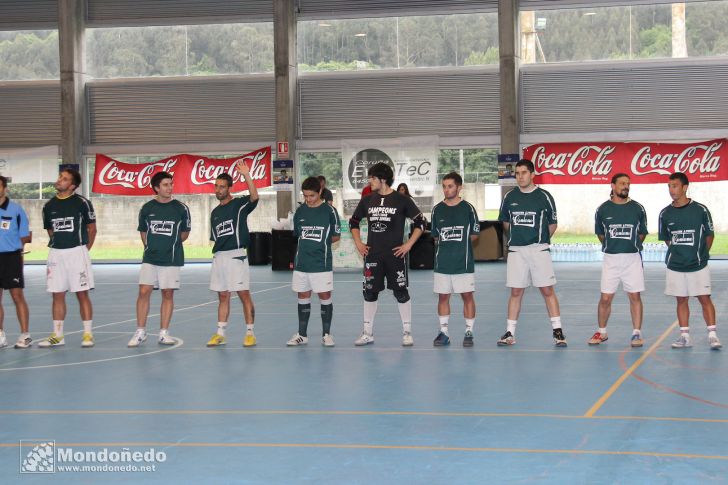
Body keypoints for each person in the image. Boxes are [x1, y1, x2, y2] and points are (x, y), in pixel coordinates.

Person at [350, 162, 426, 346]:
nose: (369, 181)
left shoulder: (402, 200)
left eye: (372, 178)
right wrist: (359, 243)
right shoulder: (367, 199)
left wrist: (408, 244)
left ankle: (407, 332)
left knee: (401, 292)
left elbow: (421, 223)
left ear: (382, 179)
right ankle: (367, 332)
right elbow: (353, 222)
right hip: (373, 255)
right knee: (369, 293)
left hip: (395, 256)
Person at [496, 159, 567, 347]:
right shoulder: (509, 197)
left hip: (539, 249)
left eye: (524, 173)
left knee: (547, 290)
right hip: (517, 251)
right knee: (516, 291)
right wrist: (517, 238)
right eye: (517, 173)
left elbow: (553, 224)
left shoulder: (544, 196)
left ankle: (558, 331)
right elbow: (505, 223)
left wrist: (540, 240)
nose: (520, 176)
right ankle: (509, 333)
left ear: (532, 174)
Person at [658, 172, 721, 350]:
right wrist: (679, 252)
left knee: (704, 298)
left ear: (685, 187)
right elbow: (668, 239)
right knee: (681, 300)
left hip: (698, 265)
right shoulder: (665, 213)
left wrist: (700, 254)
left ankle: (712, 335)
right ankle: (685, 336)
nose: (671, 190)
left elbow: (710, 235)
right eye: (669, 186)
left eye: (675, 186)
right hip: (675, 265)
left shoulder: (700, 210)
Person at [128, 171, 191, 347]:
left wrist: (170, 244)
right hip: (150, 258)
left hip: (171, 259)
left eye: (171, 184)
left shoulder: (181, 208)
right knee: (143, 292)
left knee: (167, 293)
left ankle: (164, 333)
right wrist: (150, 247)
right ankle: (140, 331)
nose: (170, 187)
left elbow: (185, 233)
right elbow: (143, 231)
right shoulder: (147, 208)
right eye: (165, 185)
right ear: (156, 188)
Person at [39, 168, 96, 348]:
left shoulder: (82, 203)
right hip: (56, 253)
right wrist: (58, 243)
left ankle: (87, 334)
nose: (59, 180)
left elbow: (92, 229)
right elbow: (50, 230)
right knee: (57, 294)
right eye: (59, 177)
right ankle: (57, 335)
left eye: (64, 179)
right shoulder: (48, 206)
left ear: (72, 186)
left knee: (82, 294)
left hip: (77, 252)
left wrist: (83, 250)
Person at [590, 173, 648, 347]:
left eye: (628, 184)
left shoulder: (638, 208)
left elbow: (642, 233)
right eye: (622, 183)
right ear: (613, 186)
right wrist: (614, 246)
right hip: (611, 259)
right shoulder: (602, 209)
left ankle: (636, 334)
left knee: (634, 296)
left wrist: (629, 246)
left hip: (632, 259)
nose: (626, 186)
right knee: (605, 298)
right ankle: (602, 332)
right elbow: (601, 234)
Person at [206, 161, 259, 348]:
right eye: (216, 186)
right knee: (222, 296)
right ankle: (220, 333)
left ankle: (250, 333)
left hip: (236, 256)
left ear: (229, 188)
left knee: (243, 294)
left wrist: (247, 175)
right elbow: (215, 238)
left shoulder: (239, 205)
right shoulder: (214, 213)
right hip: (219, 257)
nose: (218, 190)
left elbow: (254, 197)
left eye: (222, 187)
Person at [287, 177, 341, 347]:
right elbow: (298, 235)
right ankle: (302, 335)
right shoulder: (300, 212)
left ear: (320, 193)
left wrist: (320, 244)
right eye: (305, 196)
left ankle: (327, 334)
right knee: (303, 295)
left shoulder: (330, 211)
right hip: (302, 263)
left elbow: (336, 236)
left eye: (311, 195)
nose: (308, 199)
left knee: (325, 296)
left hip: (321, 263)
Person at [430, 172, 480, 347]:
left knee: (467, 296)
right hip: (442, 263)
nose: (446, 189)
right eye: (444, 186)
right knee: (443, 297)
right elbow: (436, 236)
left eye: (450, 186)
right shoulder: (437, 209)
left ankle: (469, 331)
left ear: (459, 187)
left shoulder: (468, 208)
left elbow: (474, 234)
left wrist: (460, 247)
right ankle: (444, 332)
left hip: (463, 263)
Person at [0, 175, 32, 348]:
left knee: (17, 295)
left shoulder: (16, 210)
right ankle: (0, 336)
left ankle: (25, 335)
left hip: (11, 258)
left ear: (5, 188)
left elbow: (25, 236)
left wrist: (16, 251)